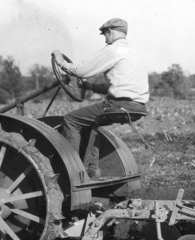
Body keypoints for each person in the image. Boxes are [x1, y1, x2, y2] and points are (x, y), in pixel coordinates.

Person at [52, 18, 149, 179]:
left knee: (71, 119)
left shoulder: (113, 50)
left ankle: (70, 172)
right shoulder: (133, 53)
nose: (105, 38)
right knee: (90, 123)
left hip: (118, 105)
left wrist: (61, 62)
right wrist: (90, 87)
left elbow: (79, 70)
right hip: (138, 107)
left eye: (105, 34)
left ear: (110, 32)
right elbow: (118, 85)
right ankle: (92, 169)